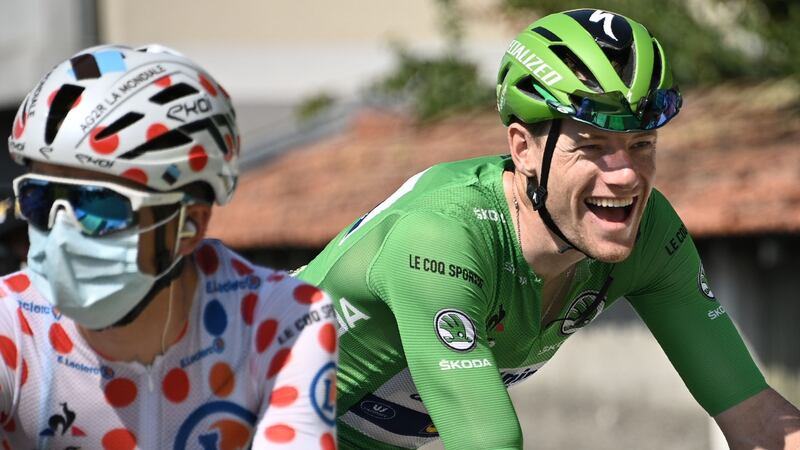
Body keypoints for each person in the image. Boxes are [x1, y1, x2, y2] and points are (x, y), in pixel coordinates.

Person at [297, 8, 800, 450]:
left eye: (641, 144)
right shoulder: (443, 236)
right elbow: (489, 441)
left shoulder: (648, 232)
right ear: (523, 149)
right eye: (593, 146)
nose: (625, 174)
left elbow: (760, 423)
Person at [0, 44, 337, 449]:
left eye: (99, 202)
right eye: (38, 197)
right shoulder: (10, 327)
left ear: (189, 223)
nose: (61, 231)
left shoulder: (283, 318)